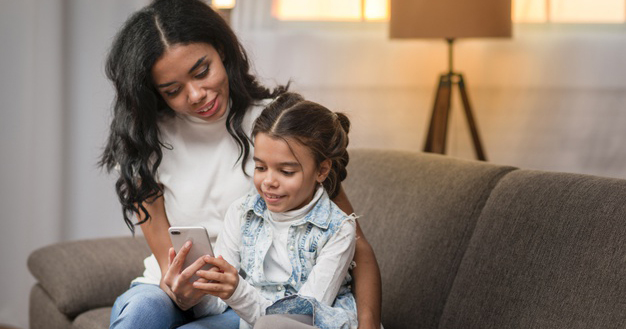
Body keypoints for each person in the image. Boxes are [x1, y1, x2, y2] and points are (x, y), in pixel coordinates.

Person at [100, 0, 381, 328]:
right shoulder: (145, 143)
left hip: (257, 296)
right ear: (154, 93)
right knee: (139, 314)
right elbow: (168, 264)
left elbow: (352, 241)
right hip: (177, 290)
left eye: (202, 71)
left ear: (222, 50)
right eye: (173, 90)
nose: (196, 95)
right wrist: (180, 288)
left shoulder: (277, 124)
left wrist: (369, 322)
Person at [190, 92, 359, 329]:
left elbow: (298, 318)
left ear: (321, 171)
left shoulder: (338, 230)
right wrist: (194, 289)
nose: (268, 181)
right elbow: (216, 305)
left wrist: (237, 291)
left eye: (286, 171)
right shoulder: (241, 213)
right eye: (260, 167)